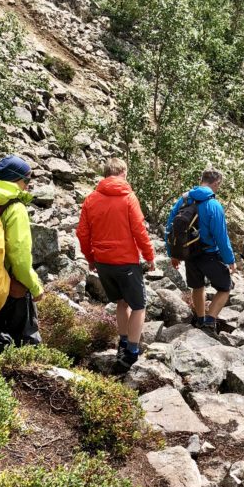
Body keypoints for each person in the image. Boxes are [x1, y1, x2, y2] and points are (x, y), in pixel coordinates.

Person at [76, 157, 155, 371]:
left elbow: (82, 233)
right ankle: (131, 351)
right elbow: (139, 230)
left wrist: (91, 258)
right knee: (139, 306)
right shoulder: (128, 198)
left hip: (103, 262)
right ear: (123, 173)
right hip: (126, 262)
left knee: (121, 302)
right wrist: (149, 256)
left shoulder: (91, 198)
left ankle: (122, 342)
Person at [0, 155, 44, 355]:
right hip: (10, 285)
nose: (27, 186)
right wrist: (34, 287)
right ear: (16, 180)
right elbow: (20, 257)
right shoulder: (15, 208)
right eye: (27, 180)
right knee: (25, 345)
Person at [165, 168, 236, 334]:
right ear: (216, 183)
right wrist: (230, 260)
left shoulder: (183, 200)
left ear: (201, 179)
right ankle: (209, 323)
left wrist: (173, 253)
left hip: (188, 253)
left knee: (197, 286)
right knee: (225, 287)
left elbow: (170, 229)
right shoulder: (213, 205)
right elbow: (221, 236)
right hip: (209, 254)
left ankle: (200, 319)